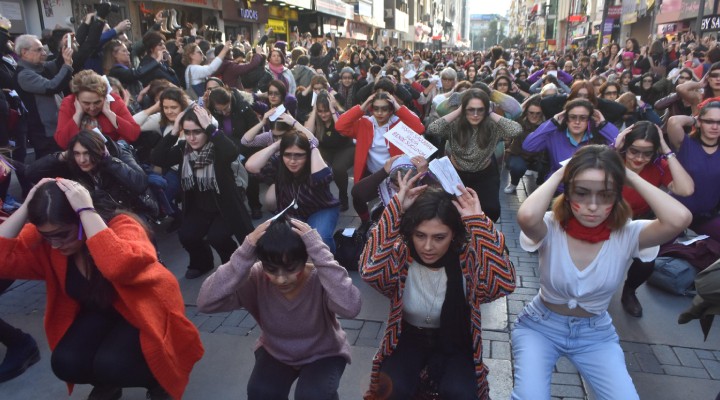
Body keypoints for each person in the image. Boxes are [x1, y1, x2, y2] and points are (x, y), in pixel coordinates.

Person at [512, 145, 692, 399]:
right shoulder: (552, 225)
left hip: (595, 334)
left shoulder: (629, 233)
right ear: (568, 191)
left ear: (617, 196)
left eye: (605, 195)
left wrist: (628, 175)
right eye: (582, 193)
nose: (592, 206)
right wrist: (561, 173)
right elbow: (528, 216)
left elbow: (679, 219)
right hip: (540, 327)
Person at [0, 178, 204, 399]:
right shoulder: (51, 240)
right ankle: (108, 384)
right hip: (101, 310)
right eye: (48, 237)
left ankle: (157, 380)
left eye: (62, 234)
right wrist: (26, 207)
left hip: (144, 310)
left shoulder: (123, 224)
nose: (56, 244)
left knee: (113, 363)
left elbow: (117, 266)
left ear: (81, 220)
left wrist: (86, 210)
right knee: (65, 362)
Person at [360, 176, 516, 399]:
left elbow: (503, 283)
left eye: (439, 237)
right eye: (420, 235)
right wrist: (394, 210)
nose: (428, 246)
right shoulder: (400, 254)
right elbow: (369, 271)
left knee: (460, 392)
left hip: (456, 340)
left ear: (454, 234)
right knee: (392, 390)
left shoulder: (467, 258)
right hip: (408, 338)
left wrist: (478, 223)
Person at [197, 216, 361, 400]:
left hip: (324, 352)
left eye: (291, 269)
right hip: (277, 351)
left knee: (314, 395)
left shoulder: (320, 279)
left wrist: (318, 250)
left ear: (304, 258)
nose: (281, 279)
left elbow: (351, 306)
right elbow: (205, 301)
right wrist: (244, 253)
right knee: (261, 392)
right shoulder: (256, 277)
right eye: (272, 269)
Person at [151, 104, 253, 279]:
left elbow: (232, 151)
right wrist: (174, 131)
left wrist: (211, 128)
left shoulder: (218, 146)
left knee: (218, 237)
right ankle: (202, 263)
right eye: (187, 132)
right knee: (187, 235)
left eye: (197, 131)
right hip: (199, 207)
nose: (192, 137)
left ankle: (233, 265)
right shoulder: (184, 149)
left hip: (225, 206)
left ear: (206, 129)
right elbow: (157, 158)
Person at [613, 121, 694, 317]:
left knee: (646, 261)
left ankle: (630, 291)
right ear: (625, 146)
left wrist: (666, 149)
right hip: (607, 219)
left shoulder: (658, 166)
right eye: (634, 151)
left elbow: (686, 189)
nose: (639, 158)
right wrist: (614, 149)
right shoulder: (612, 159)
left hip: (638, 221)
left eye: (647, 153)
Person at [426, 89, 522, 221]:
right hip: (457, 175)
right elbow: (433, 129)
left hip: (484, 175)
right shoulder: (455, 125)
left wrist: (490, 113)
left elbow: (516, 130)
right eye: (471, 110)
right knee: (452, 212)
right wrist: (459, 110)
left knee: (491, 211)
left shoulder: (493, 126)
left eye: (480, 110)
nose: (475, 114)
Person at [245, 130, 341, 252]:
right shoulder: (279, 163)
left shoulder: (315, 163)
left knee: (321, 238)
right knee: (281, 242)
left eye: (299, 155)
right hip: (292, 213)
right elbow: (251, 166)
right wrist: (276, 145)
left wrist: (313, 148)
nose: (292, 161)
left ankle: (329, 266)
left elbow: (321, 177)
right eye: (287, 154)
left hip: (321, 209)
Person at [335, 91, 425, 221]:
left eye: (384, 109)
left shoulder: (399, 123)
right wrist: (362, 107)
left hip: (396, 176)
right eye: (375, 108)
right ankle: (365, 222)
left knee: (400, 213)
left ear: (391, 110)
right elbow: (340, 126)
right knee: (357, 194)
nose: (379, 113)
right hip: (373, 174)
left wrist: (398, 107)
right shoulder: (364, 123)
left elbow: (420, 128)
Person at [26, 130, 155, 220]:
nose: (82, 159)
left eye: (87, 153)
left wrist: (109, 161)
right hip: (97, 216)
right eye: (77, 153)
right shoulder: (73, 163)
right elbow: (30, 173)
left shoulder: (119, 154)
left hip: (131, 211)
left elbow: (140, 183)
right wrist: (60, 157)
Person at [523, 99, 619, 180]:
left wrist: (603, 124)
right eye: (573, 117)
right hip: (559, 189)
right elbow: (528, 146)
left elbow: (620, 144)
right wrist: (553, 122)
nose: (577, 122)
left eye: (583, 118)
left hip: (589, 188)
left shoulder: (599, 138)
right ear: (566, 118)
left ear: (589, 120)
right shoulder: (554, 136)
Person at [666, 98, 720, 242]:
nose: (715, 126)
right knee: (655, 251)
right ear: (700, 122)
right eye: (709, 121)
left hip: (706, 216)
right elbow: (673, 122)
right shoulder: (685, 143)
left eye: (719, 122)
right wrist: (694, 119)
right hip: (676, 212)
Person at [13, 34, 74, 159]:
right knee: (51, 165)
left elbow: (56, 64)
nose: (44, 52)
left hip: (56, 126)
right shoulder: (24, 75)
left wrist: (64, 46)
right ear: (24, 52)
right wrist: (67, 66)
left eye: (43, 48)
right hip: (44, 132)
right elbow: (52, 87)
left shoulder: (39, 67)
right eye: (39, 49)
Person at [55, 70, 141, 150]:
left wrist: (109, 113)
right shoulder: (68, 103)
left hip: (113, 153)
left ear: (105, 97)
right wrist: (77, 114)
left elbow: (133, 134)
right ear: (77, 98)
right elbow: (62, 142)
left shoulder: (114, 100)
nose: (92, 108)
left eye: (97, 102)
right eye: (86, 103)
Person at [305, 90, 354, 211]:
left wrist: (333, 111)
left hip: (345, 148)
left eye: (325, 111)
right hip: (325, 150)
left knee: (338, 168)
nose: (323, 114)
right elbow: (307, 133)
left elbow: (343, 132)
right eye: (320, 111)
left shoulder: (340, 115)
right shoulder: (316, 119)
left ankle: (343, 196)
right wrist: (314, 111)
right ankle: (321, 197)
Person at [505, 95, 547, 193]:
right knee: (517, 167)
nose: (534, 116)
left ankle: (541, 185)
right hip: (518, 154)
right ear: (526, 112)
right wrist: (528, 101)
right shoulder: (520, 121)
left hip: (538, 158)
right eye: (531, 113)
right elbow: (516, 110)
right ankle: (513, 183)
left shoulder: (546, 125)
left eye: (538, 113)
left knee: (546, 168)